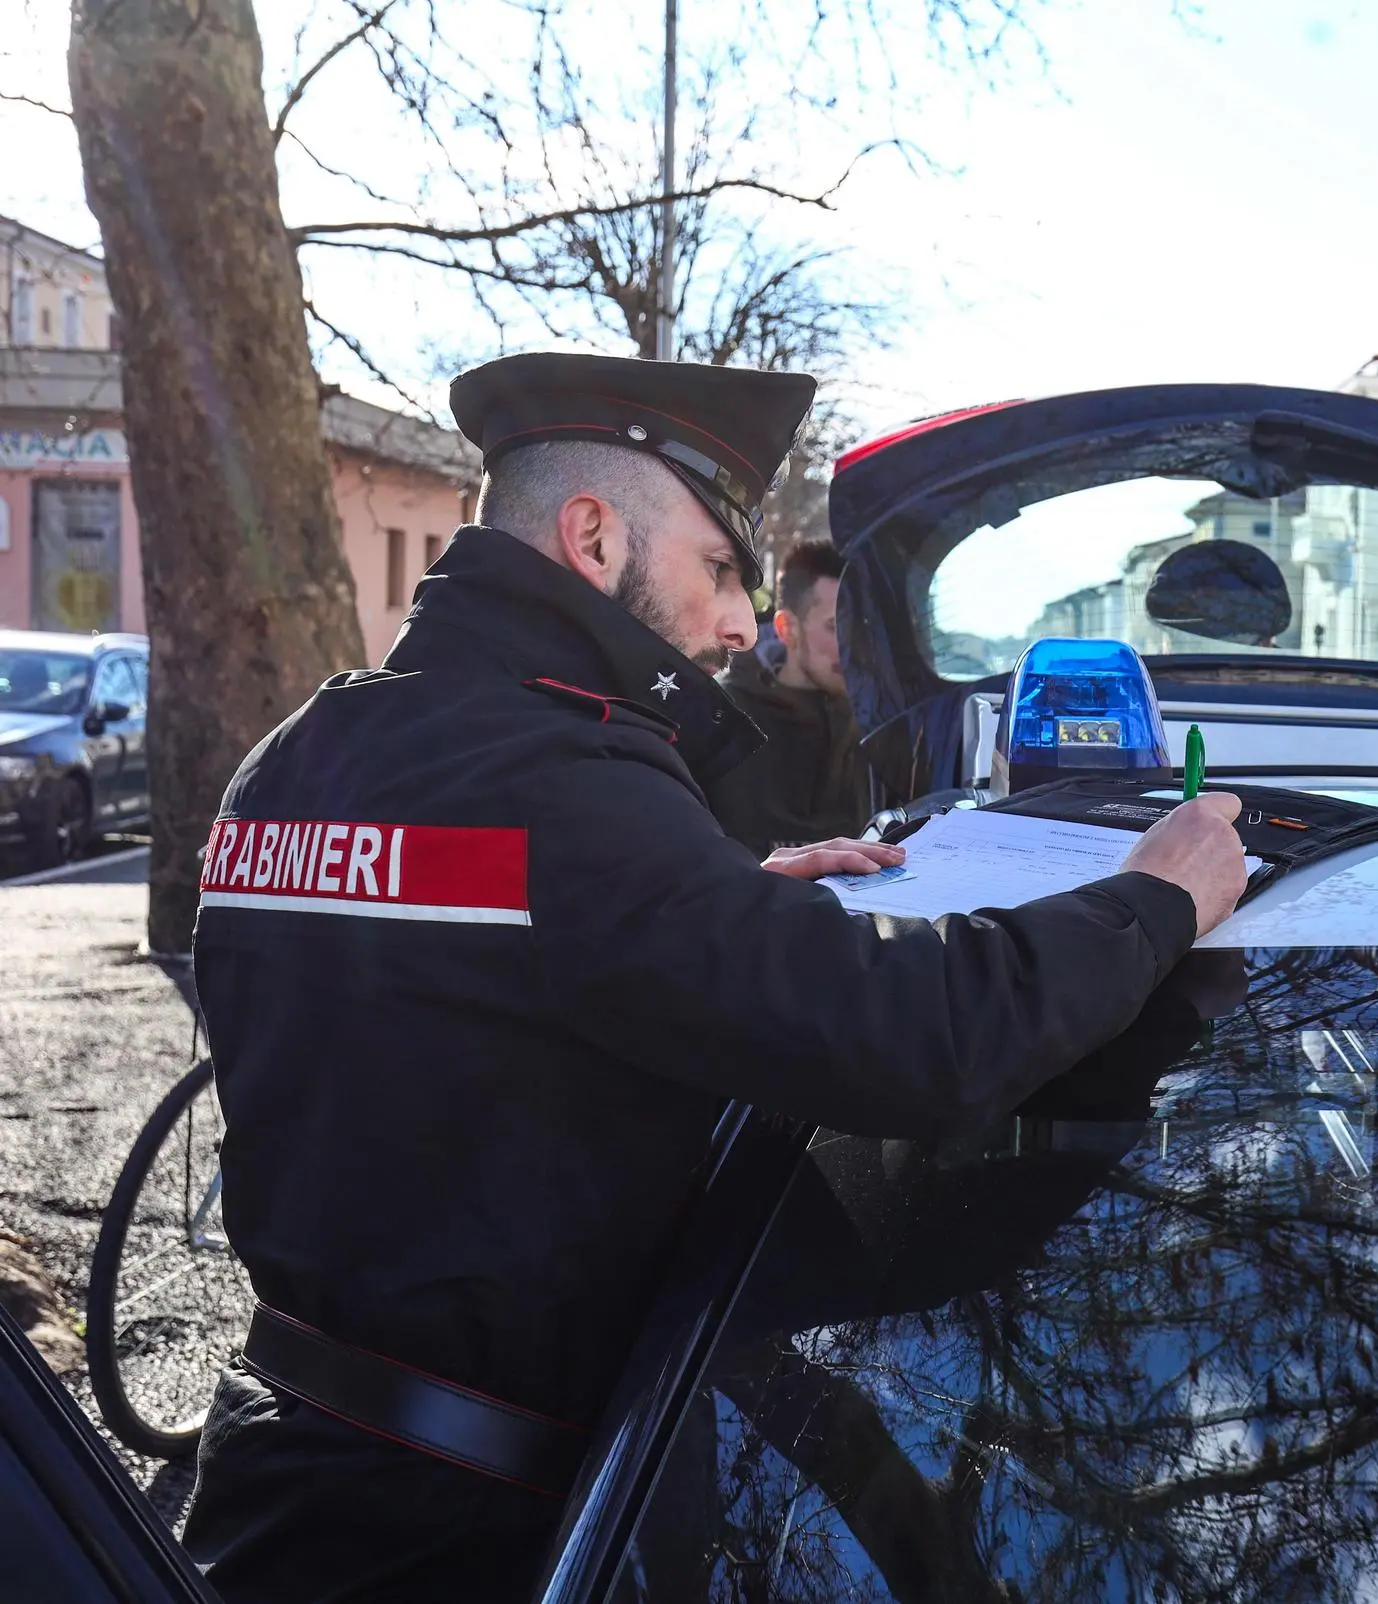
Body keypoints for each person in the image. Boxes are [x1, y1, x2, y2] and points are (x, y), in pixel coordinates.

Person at [181, 351, 1248, 1603]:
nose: (744, 621)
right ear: (590, 535)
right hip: (475, 1535)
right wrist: (1154, 898)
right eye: (720, 567)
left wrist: (716, 900)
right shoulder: (565, 789)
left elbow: (448, 1008)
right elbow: (917, 1039)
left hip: (277, 1484)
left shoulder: (300, 754)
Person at [711, 539, 871, 856]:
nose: (850, 644)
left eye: (858, 627)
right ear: (788, 629)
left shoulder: (871, 723)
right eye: (834, 626)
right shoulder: (727, 721)